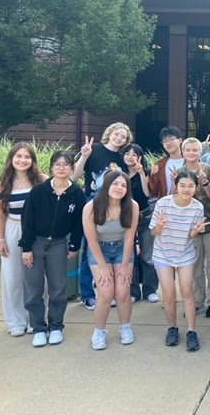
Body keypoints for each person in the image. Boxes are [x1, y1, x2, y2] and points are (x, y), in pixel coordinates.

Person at [19, 151, 86, 347]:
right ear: (51, 168)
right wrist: (26, 248)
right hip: (36, 243)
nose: (62, 168)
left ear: (72, 168)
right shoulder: (38, 192)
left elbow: (78, 224)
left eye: (66, 164)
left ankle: (56, 326)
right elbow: (28, 221)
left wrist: (74, 245)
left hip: (59, 245)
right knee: (33, 288)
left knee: (58, 289)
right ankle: (38, 327)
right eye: (57, 164)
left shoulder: (76, 193)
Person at [73, 122, 132, 311]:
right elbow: (75, 176)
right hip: (93, 203)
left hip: (115, 206)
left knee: (111, 247)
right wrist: (84, 156)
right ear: (110, 133)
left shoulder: (122, 158)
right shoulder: (94, 150)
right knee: (90, 247)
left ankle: (108, 292)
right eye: (117, 134)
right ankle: (88, 295)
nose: (119, 138)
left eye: (123, 137)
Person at [150, 171, 208, 352]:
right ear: (176, 185)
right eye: (182, 185)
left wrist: (197, 230)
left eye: (191, 186)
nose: (186, 189)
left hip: (185, 254)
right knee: (168, 294)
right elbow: (154, 232)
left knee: (187, 291)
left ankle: (192, 331)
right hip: (163, 253)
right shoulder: (163, 203)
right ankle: (172, 328)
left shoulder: (198, 207)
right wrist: (160, 226)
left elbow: (192, 236)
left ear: (196, 188)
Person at [0, 143, 48, 337]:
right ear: (12, 159)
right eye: (19, 156)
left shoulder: (41, 181)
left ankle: (37, 319)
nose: (22, 160)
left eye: (27, 157)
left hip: (36, 231)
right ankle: (16, 321)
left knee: (37, 277)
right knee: (12, 277)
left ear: (32, 160)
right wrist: (0, 240)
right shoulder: (3, 184)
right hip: (12, 228)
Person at [83, 171, 139, 350]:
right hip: (100, 248)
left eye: (123, 185)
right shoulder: (91, 207)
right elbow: (91, 240)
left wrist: (124, 266)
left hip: (123, 248)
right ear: (106, 185)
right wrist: (103, 267)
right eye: (115, 184)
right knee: (106, 292)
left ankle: (125, 327)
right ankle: (99, 331)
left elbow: (130, 237)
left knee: (123, 291)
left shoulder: (132, 206)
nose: (119, 188)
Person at [180, 138, 210, 318]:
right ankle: (198, 301)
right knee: (195, 266)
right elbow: (176, 199)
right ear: (183, 153)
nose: (191, 153)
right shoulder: (181, 173)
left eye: (195, 150)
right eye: (188, 150)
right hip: (192, 226)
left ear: (200, 152)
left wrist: (205, 183)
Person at [123, 143, 159, 304]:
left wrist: (142, 174)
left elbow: (147, 193)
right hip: (125, 219)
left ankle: (150, 290)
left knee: (148, 256)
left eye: (134, 154)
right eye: (127, 153)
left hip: (145, 217)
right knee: (129, 256)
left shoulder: (146, 172)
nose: (130, 157)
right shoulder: (118, 174)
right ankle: (133, 291)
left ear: (140, 158)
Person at [149, 126, 186, 200]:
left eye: (171, 139)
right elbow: (153, 191)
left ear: (180, 140)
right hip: (166, 206)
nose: (168, 143)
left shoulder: (189, 162)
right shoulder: (159, 165)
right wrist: (152, 175)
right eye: (165, 141)